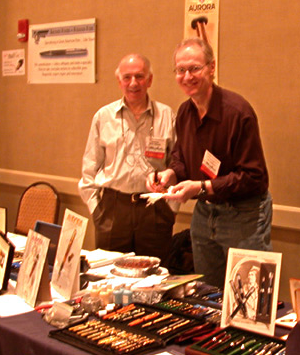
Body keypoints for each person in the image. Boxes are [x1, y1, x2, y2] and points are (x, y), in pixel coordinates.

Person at [148, 38, 272, 288]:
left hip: (244, 215)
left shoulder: (238, 112)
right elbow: (182, 158)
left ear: (211, 68)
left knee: (250, 298)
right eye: (180, 70)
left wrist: (202, 187)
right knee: (206, 295)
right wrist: (171, 174)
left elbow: (253, 177)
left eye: (194, 68)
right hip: (205, 214)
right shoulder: (184, 112)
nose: (187, 76)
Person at [78, 53, 176, 263]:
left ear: (149, 80)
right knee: (109, 277)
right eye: (127, 77)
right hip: (113, 210)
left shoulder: (167, 116)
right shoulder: (103, 117)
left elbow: (177, 165)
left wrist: (170, 209)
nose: (133, 83)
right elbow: (89, 169)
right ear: (119, 81)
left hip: (154, 211)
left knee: (156, 279)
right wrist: (97, 211)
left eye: (140, 77)